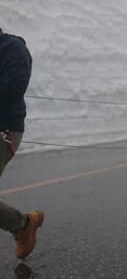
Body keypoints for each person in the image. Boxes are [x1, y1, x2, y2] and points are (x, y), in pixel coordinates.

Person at [0, 28, 44, 260]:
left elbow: (14, 86)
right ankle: (23, 224)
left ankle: (23, 224)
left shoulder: (12, 48)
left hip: (4, 129)